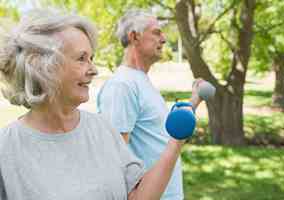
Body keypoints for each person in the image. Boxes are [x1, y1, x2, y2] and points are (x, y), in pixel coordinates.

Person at [0, 8, 193, 200]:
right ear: (41, 66)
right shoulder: (6, 148)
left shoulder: (102, 129)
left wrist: (175, 143)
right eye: (82, 58)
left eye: (91, 59)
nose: (93, 70)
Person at [97, 9, 203, 200]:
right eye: (156, 32)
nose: (163, 39)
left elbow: (158, 132)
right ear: (134, 37)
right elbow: (115, 165)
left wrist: (194, 100)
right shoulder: (122, 86)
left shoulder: (140, 80)